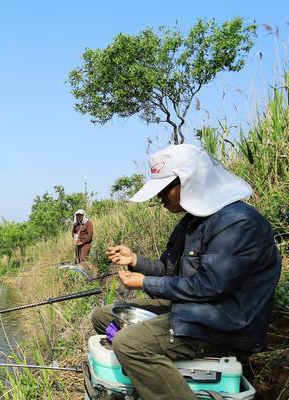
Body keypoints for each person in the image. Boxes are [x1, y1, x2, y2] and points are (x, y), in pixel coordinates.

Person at [92, 144, 281, 400]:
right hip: (196, 309)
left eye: (164, 190)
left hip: (225, 325)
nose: (160, 199)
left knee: (129, 344)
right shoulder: (193, 221)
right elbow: (170, 270)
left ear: (190, 182)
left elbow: (210, 286)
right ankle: (154, 382)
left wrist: (146, 283)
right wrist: (135, 260)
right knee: (103, 316)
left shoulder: (238, 223)